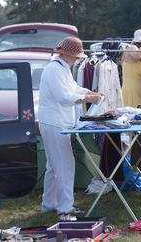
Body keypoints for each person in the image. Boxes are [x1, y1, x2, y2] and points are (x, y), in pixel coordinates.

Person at [38, 36, 103, 221]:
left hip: (55, 122)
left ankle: (48, 204)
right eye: (76, 56)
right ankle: (65, 209)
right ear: (67, 54)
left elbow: (73, 88)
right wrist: (88, 99)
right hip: (55, 123)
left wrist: (89, 93)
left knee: (52, 166)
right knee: (65, 166)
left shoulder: (62, 68)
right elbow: (63, 97)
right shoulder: (55, 70)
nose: (78, 59)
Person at [121, 29, 141, 107]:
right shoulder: (131, 48)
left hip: (137, 89)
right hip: (132, 90)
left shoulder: (140, 53)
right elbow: (138, 55)